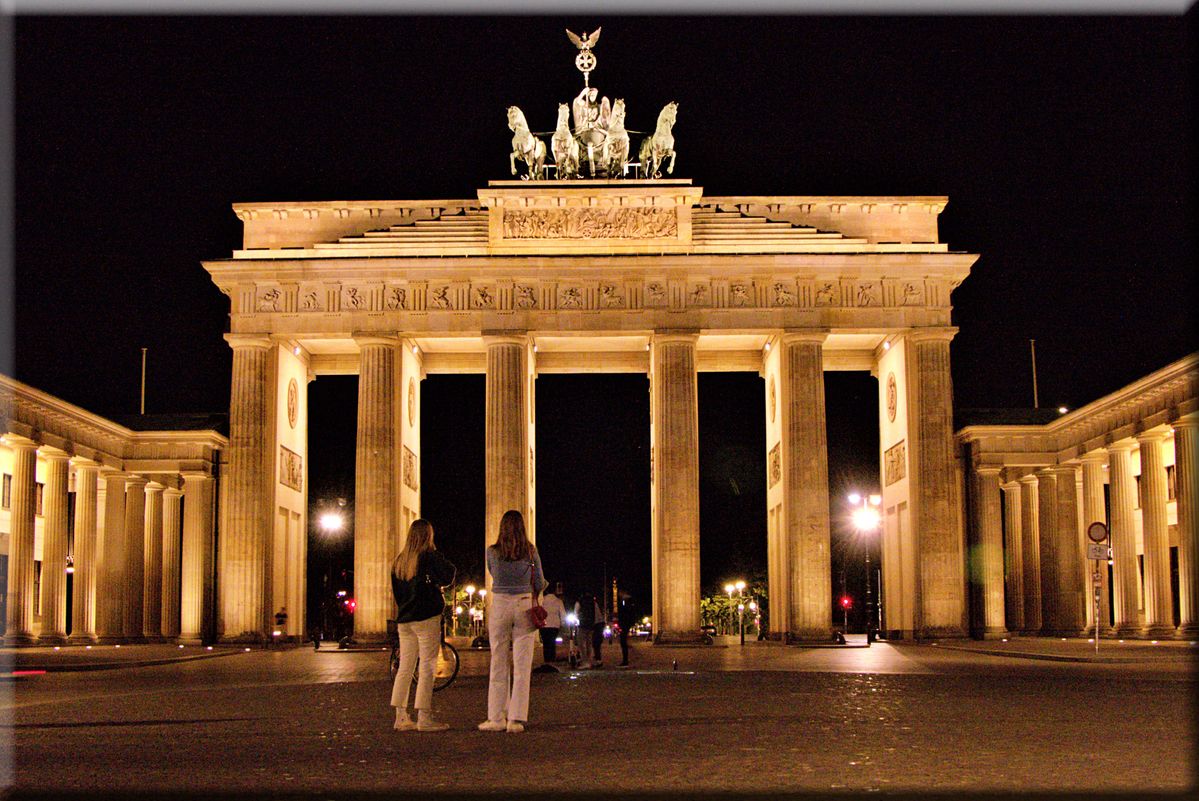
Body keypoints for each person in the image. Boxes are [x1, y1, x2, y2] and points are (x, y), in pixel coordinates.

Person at [479, 509, 546, 734]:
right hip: (525, 604)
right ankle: (515, 719)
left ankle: (496, 717)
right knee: (522, 663)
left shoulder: (492, 552)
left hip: (500, 604)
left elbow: (494, 575)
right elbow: (539, 581)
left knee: (498, 660)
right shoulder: (531, 550)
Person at [390, 518, 456, 733]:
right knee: (427, 665)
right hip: (426, 616)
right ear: (428, 536)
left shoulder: (400, 561)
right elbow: (449, 574)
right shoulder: (428, 556)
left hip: (405, 620)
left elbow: (398, 594)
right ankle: (424, 716)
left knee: (405, 667)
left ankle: (401, 716)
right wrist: (435, 552)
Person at [534, 581, 567, 673]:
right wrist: (563, 623)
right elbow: (563, 614)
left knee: (545, 643)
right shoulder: (558, 601)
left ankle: (546, 661)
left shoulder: (542, 600)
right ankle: (551, 661)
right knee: (552, 643)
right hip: (554, 626)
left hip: (544, 625)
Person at [574, 590, 600, 669]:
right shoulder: (593, 602)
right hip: (591, 625)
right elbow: (597, 613)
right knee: (589, 644)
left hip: (582, 625)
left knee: (581, 644)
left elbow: (576, 613)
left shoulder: (579, 602)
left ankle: (585, 662)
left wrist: (577, 621)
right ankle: (589, 660)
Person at [616, 591, 636, 667]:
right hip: (626, 623)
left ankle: (625, 660)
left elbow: (624, 613)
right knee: (623, 642)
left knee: (623, 642)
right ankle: (625, 660)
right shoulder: (629, 601)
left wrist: (621, 622)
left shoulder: (625, 602)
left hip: (625, 623)